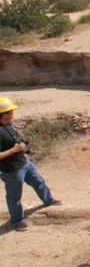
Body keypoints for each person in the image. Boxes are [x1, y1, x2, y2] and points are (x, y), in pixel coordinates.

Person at [0, 97, 63, 231]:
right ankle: (17, 221)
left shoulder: (9, 124)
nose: (13, 112)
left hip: (24, 163)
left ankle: (48, 199)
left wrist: (22, 152)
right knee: (14, 197)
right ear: (4, 113)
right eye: (11, 110)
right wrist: (14, 150)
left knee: (39, 182)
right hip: (11, 171)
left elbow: (14, 141)